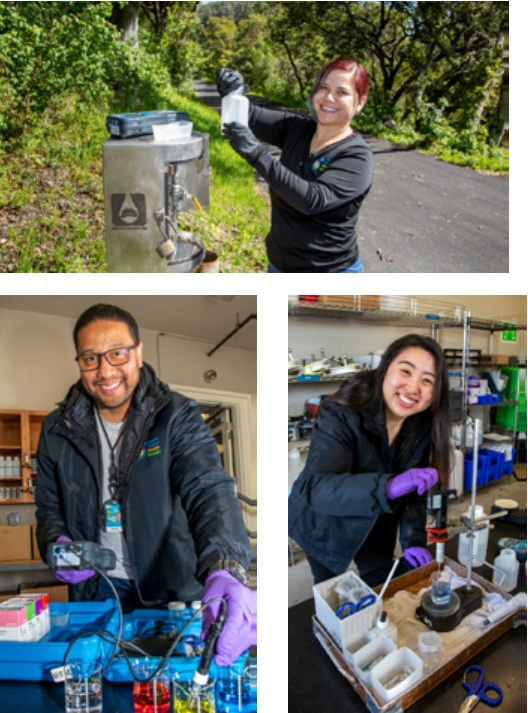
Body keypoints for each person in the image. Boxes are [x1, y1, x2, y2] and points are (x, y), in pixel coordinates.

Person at [35, 303, 255, 665]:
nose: (105, 370)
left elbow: (208, 489)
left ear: (138, 353)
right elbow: (48, 508)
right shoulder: (56, 429)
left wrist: (226, 566)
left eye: (117, 354)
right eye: (90, 358)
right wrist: (55, 544)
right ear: (79, 362)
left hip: (170, 594)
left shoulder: (176, 415)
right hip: (96, 591)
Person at [288, 334, 452, 587]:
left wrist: (413, 541)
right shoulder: (342, 413)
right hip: (323, 521)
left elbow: (415, 491)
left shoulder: (421, 424)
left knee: (384, 583)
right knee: (331, 591)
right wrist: (388, 486)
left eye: (427, 380)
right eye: (406, 371)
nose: (413, 388)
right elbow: (320, 488)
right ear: (385, 369)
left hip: (377, 517)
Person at [217, 59, 374, 273]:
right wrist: (232, 92)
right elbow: (248, 115)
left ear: (360, 102)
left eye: (342, 92)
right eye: (324, 88)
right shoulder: (298, 129)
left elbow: (312, 200)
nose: (329, 98)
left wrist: (257, 154)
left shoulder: (357, 157)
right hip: (278, 266)